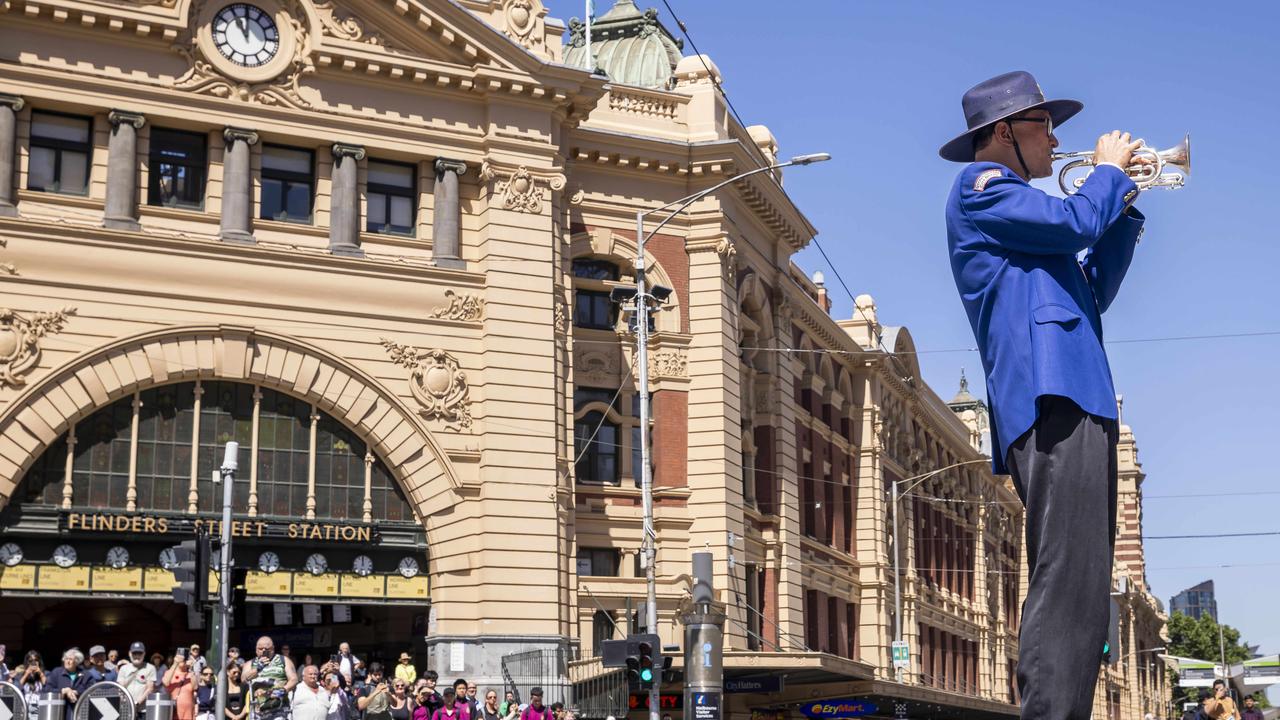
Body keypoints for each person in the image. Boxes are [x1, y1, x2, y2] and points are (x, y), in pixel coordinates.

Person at [942, 70, 1148, 720]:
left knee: (1085, 587)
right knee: (1065, 579)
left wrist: (1126, 207)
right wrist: (1107, 175)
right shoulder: (981, 191)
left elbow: (1091, 291)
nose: (1058, 140)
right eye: (1044, 125)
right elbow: (1074, 220)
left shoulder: (1029, 221)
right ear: (1004, 132)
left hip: (1074, 391)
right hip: (1049, 396)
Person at [242, 636, 299, 719]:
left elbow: (294, 679)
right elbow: (244, 679)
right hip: (257, 710)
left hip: (279, 709)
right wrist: (257, 668)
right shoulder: (250, 663)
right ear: (256, 649)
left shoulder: (284, 660)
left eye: (267, 649)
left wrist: (283, 690)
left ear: (273, 648)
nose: (263, 651)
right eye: (260, 649)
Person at [45, 649, 91, 720]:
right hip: (59, 714)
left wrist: (77, 692)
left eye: (70, 659)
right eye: (66, 659)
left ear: (76, 661)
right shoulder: (57, 672)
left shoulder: (85, 674)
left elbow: (91, 689)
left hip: (80, 713)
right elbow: (47, 689)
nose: (67, 662)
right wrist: (63, 691)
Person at [116, 643, 157, 712]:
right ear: (129, 653)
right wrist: (128, 703)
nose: (137, 656)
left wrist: (137, 703)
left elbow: (150, 688)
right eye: (134, 653)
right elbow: (120, 688)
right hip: (126, 708)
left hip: (143, 710)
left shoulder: (150, 668)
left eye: (140, 653)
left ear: (144, 654)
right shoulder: (123, 668)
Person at [163, 650, 197, 720]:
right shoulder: (170, 672)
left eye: (185, 658)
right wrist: (175, 663)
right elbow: (165, 682)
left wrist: (191, 669)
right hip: (173, 713)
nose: (183, 659)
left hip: (188, 714)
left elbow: (195, 687)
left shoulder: (190, 674)